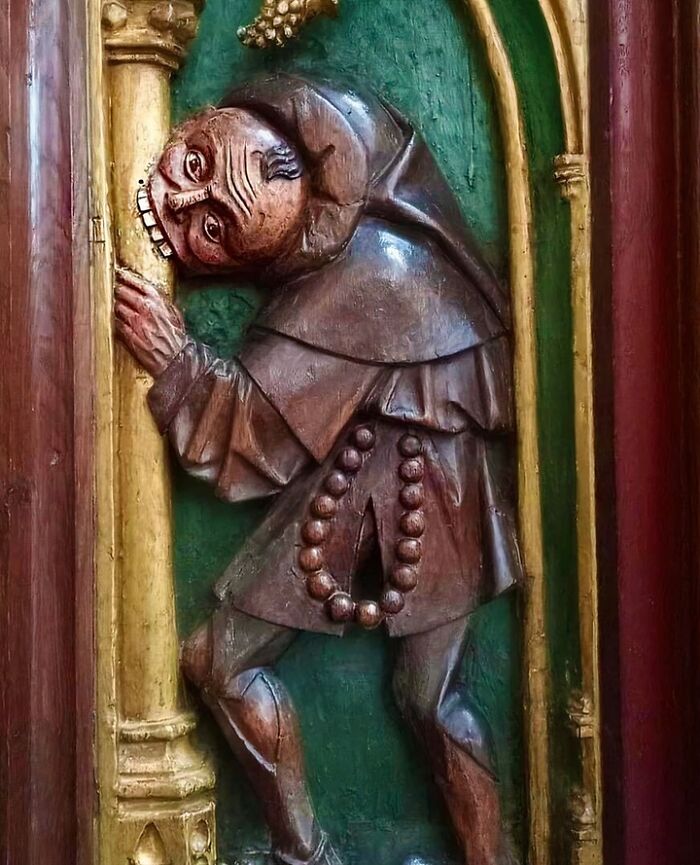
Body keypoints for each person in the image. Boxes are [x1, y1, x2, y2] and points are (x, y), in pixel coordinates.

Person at [115, 72, 523, 865]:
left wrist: (178, 360)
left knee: (385, 690)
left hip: (413, 470)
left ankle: (326, 854)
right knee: (419, 697)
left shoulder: (362, 273)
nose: (174, 204)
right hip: (409, 459)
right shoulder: (369, 182)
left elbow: (253, 438)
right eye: (192, 165)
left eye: (214, 227)